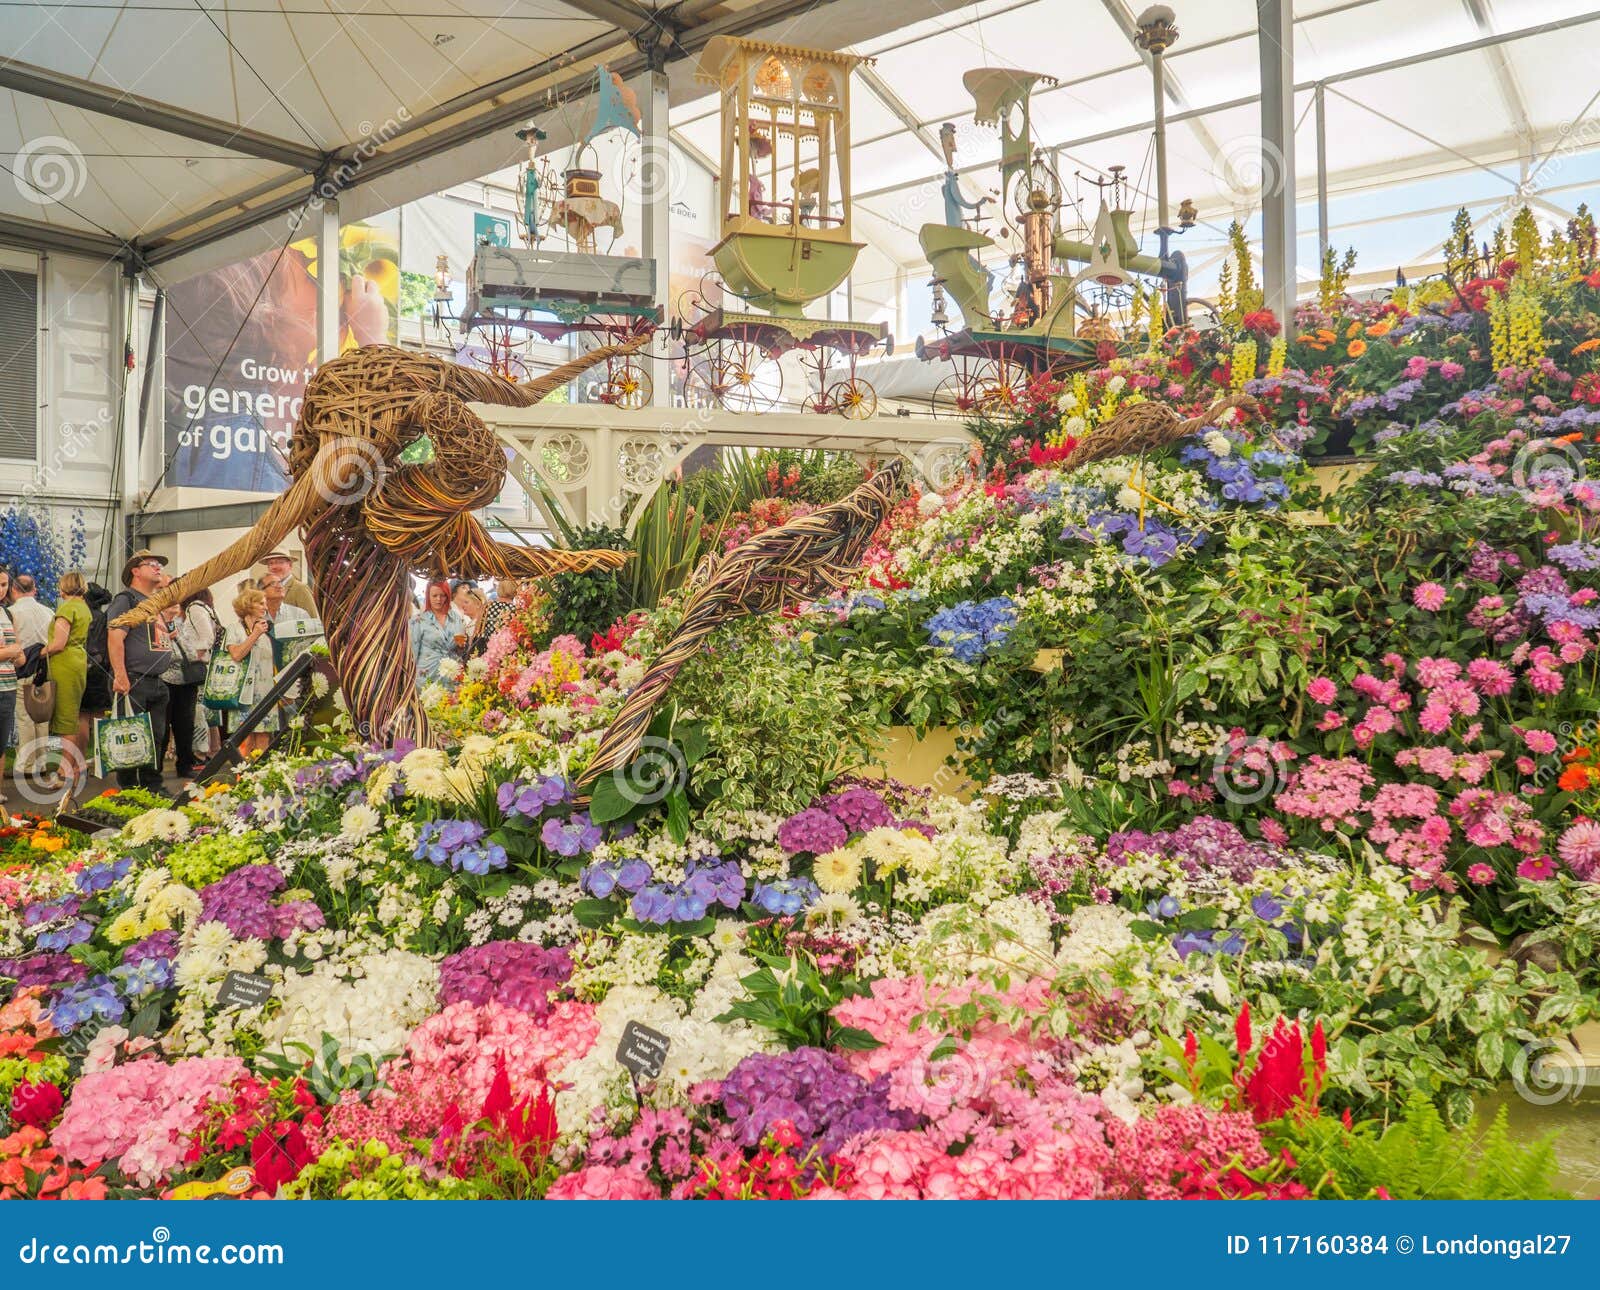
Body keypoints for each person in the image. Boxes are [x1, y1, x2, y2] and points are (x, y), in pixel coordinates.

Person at [106, 549, 173, 792]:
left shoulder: (153, 602)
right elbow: (115, 636)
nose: (158, 568)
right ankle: (130, 789)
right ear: (135, 571)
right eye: (152, 564)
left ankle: (152, 785)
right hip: (134, 679)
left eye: (160, 564)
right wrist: (120, 674)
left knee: (156, 736)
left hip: (156, 681)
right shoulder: (126, 599)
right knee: (131, 738)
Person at [40, 571, 92, 795]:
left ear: (65, 587)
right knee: (73, 713)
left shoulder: (66, 608)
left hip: (64, 664)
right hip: (78, 660)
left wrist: (39, 652)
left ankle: (64, 772)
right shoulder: (84, 607)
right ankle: (75, 767)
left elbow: (58, 643)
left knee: (65, 719)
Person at [8, 574, 53, 778]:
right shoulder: (48, 611)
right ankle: (41, 764)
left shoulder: (10, 613)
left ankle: (26, 766)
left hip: (21, 668)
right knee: (42, 717)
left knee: (24, 717)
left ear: (13, 590)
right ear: (34, 589)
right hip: (44, 669)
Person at [226, 587, 277, 759]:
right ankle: (244, 777)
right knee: (245, 739)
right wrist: (254, 634)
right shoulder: (234, 629)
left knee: (264, 736)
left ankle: (261, 778)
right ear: (248, 605)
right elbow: (237, 655)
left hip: (265, 692)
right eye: (260, 603)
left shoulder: (266, 632)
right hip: (243, 694)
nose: (265, 607)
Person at [180, 590, 224, 763]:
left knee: (198, 712)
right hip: (210, 666)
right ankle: (214, 749)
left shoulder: (194, 608)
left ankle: (200, 752)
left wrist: (192, 658)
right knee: (209, 711)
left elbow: (207, 638)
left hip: (200, 667)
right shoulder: (208, 608)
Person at [410, 578, 467, 689]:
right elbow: (413, 653)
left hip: (452, 676)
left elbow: (461, 647)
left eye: (442, 595)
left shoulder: (455, 617)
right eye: (434, 596)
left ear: (448, 596)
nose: (438, 599)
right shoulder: (418, 621)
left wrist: (461, 646)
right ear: (428, 596)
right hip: (427, 677)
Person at [261, 551, 316, 616]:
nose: (274, 567)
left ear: (290, 565)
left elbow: (311, 620)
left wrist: (294, 625)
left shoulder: (300, 588)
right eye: (271, 563)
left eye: (280, 562)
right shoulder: (266, 589)